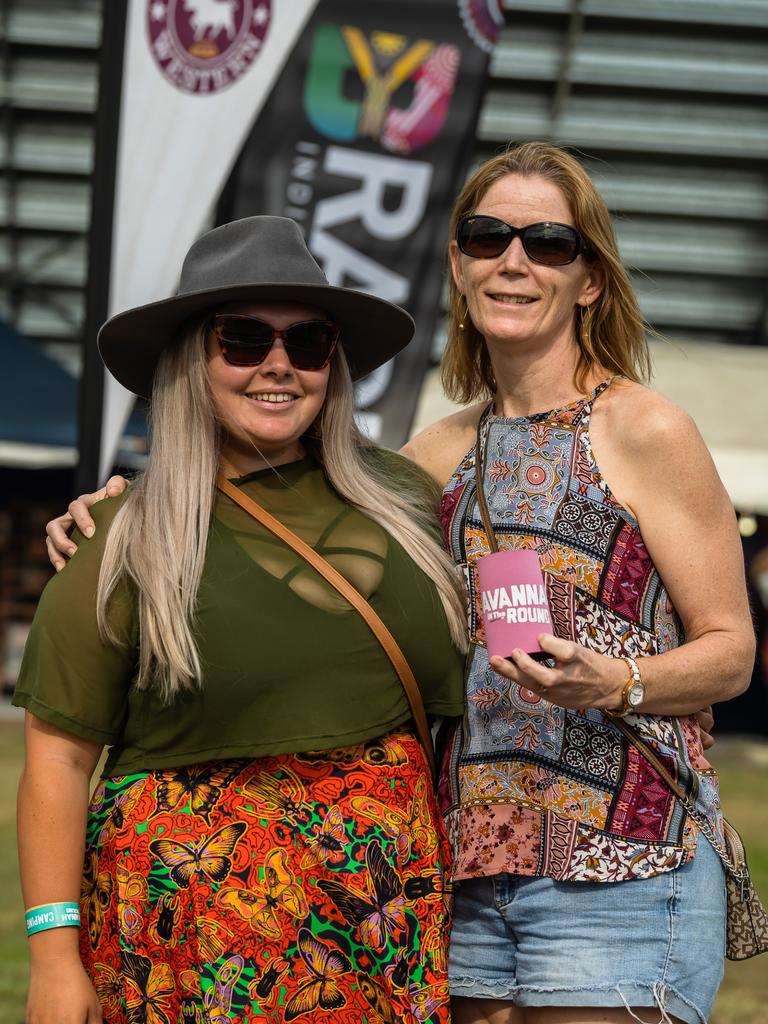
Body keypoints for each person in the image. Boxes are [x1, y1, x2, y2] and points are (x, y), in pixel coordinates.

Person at [14, 216, 468, 1024]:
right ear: (193, 359)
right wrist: (53, 958)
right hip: (196, 941)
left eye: (309, 342)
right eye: (244, 338)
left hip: (379, 924)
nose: (278, 365)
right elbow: (56, 760)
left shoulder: (406, 500)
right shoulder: (125, 539)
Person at [399, 142, 755, 1024]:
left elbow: (732, 652)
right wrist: (122, 506)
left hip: (624, 863)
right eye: (488, 237)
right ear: (458, 262)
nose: (513, 261)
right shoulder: (434, 454)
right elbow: (294, 520)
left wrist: (620, 680)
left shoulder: (646, 429)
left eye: (548, 243)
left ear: (588, 278)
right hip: (471, 866)